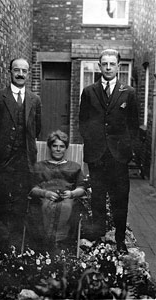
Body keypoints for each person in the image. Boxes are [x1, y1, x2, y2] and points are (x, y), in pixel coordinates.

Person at [79, 49, 139, 253]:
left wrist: (128, 152)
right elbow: (83, 122)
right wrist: (92, 141)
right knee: (97, 199)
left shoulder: (128, 92)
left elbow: (133, 126)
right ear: (99, 66)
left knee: (120, 199)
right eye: (104, 64)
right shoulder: (89, 91)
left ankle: (120, 240)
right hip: (97, 156)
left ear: (118, 66)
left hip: (118, 157)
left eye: (112, 64)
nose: (108, 68)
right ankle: (98, 238)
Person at [0, 57, 42, 253]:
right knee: (0, 205)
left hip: (24, 163)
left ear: (28, 73)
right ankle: (2, 249)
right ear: (10, 72)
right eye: (17, 70)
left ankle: (17, 249)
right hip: (1, 162)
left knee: (20, 205)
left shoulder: (35, 99)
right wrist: (2, 146)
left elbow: (36, 129)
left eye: (24, 71)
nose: (20, 74)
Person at [28, 130, 85, 252]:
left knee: (66, 207)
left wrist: (72, 193)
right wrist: (45, 193)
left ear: (66, 148)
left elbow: (82, 188)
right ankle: (45, 246)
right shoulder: (39, 166)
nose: (58, 149)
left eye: (62, 146)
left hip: (67, 198)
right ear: (50, 147)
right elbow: (32, 188)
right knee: (44, 207)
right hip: (45, 197)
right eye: (55, 146)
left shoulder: (74, 166)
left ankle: (60, 244)